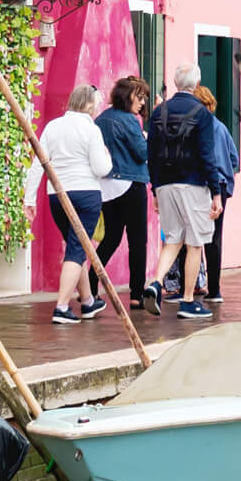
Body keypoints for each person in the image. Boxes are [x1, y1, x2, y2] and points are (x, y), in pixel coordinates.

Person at [147, 63, 227, 321]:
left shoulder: (158, 112)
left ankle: (156, 282)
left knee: (173, 239)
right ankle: (189, 300)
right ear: (197, 82)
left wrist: (155, 190)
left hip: (165, 184)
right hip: (193, 183)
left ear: (175, 81)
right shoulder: (203, 115)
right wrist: (215, 193)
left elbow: (152, 155)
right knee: (195, 243)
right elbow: (207, 156)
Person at [38, 83, 112, 325]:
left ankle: (88, 301)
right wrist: (107, 156)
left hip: (57, 195)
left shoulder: (52, 126)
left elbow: (38, 162)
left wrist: (29, 199)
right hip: (86, 194)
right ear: (89, 105)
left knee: (75, 246)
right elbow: (101, 168)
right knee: (77, 249)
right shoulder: (91, 129)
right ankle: (61, 307)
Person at [93, 75, 152, 309]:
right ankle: (137, 294)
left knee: (111, 238)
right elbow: (141, 153)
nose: (143, 103)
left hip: (107, 186)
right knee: (138, 240)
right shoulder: (129, 120)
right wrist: (148, 139)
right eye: (140, 97)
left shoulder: (100, 119)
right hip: (131, 183)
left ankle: (90, 281)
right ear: (128, 97)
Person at [196, 84, 241, 305]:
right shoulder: (221, 127)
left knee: (195, 236)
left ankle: (197, 286)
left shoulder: (199, 128)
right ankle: (214, 289)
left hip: (203, 185)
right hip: (221, 186)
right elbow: (235, 159)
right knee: (214, 238)